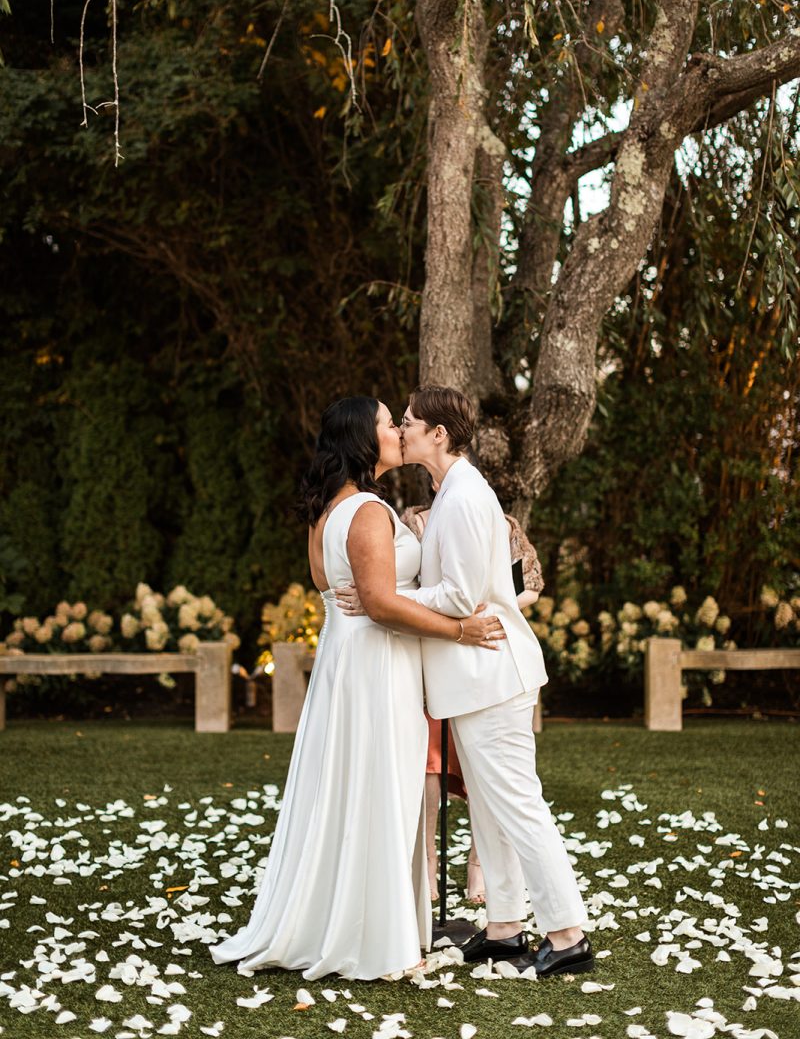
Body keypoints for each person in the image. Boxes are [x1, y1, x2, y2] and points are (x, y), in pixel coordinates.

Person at [209, 396, 505, 982]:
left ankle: (353, 922)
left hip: (348, 662)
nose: (399, 430)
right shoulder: (366, 509)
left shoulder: (329, 510)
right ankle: (375, 939)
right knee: (382, 789)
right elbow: (379, 605)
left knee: (354, 788)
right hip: (376, 663)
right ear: (364, 441)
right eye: (389, 423)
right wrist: (460, 629)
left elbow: (363, 596)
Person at [339, 386, 593, 978]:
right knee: (492, 810)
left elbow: (460, 597)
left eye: (409, 422)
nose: (400, 431)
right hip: (476, 678)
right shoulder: (450, 491)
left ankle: (568, 934)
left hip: (492, 675)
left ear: (439, 434)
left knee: (518, 804)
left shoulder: (464, 497)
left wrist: (385, 597)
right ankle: (504, 928)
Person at [402, 481, 544, 905]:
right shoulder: (415, 523)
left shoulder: (506, 526)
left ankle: (479, 865)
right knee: (430, 763)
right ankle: (427, 862)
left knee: (488, 770)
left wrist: (495, 607)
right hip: (433, 651)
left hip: (488, 647)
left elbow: (531, 584)